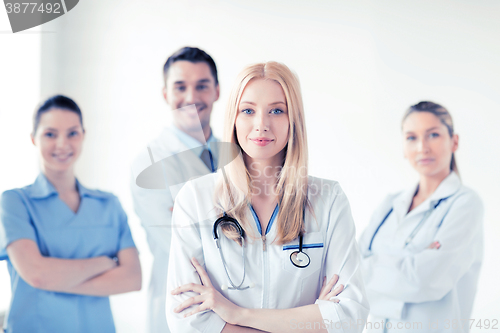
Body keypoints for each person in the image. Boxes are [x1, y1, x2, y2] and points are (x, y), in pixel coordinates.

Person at [166, 62, 369, 333]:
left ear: (293, 119)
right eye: (248, 110)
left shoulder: (329, 200)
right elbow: (188, 320)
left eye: (276, 110)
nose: (261, 124)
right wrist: (312, 319)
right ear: (234, 119)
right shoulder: (195, 199)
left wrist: (237, 314)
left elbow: (349, 316)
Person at [0, 95, 141, 333]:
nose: (62, 144)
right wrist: (103, 263)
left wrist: (54, 279)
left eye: (72, 133)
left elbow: (132, 278)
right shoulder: (15, 202)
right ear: (34, 138)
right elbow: (37, 275)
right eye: (50, 134)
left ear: (83, 136)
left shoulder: (109, 204)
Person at [358, 101, 484, 332]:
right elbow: (349, 273)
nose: (422, 147)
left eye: (433, 135)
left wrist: (368, 272)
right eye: (411, 137)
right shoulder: (389, 204)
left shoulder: (466, 204)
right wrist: (406, 269)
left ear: (454, 141)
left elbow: (425, 280)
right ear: (403, 148)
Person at [131, 46, 221, 333]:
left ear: (217, 91)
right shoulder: (149, 162)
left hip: (239, 309)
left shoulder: (242, 156)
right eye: (180, 87)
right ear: (166, 94)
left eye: (202, 86)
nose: (191, 98)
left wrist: (199, 223)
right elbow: (183, 250)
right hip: (181, 309)